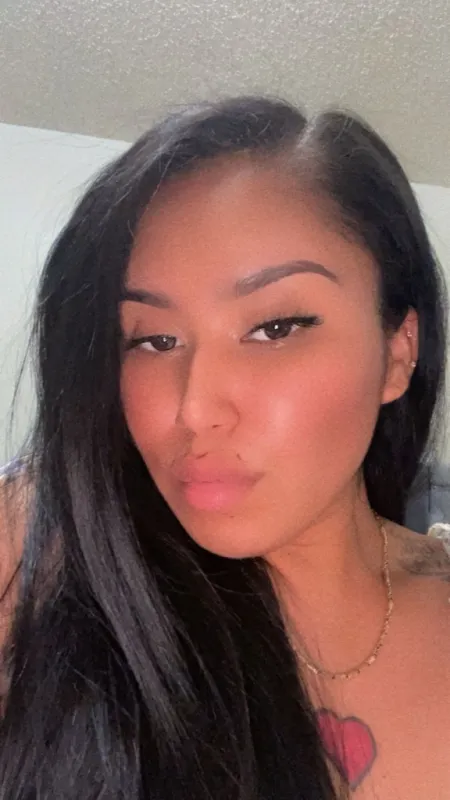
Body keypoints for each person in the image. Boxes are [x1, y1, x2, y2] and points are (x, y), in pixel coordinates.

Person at [0, 94, 449, 799]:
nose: (194, 408)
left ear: (397, 354)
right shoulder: (43, 568)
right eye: (154, 340)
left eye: (275, 328)